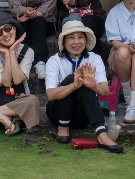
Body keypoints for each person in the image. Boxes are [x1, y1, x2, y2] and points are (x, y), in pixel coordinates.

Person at [44, 19, 123, 153]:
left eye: (80, 37)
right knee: (72, 78)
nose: (76, 42)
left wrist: (93, 86)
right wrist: (74, 85)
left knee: (85, 81)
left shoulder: (95, 58)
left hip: (83, 115)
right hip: (57, 114)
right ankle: (63, 126)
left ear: (85, 40)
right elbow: (50, 95)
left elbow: (104, 91)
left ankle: (102, 134)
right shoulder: (54, 60)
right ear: (64, 42)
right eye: (71, 38)